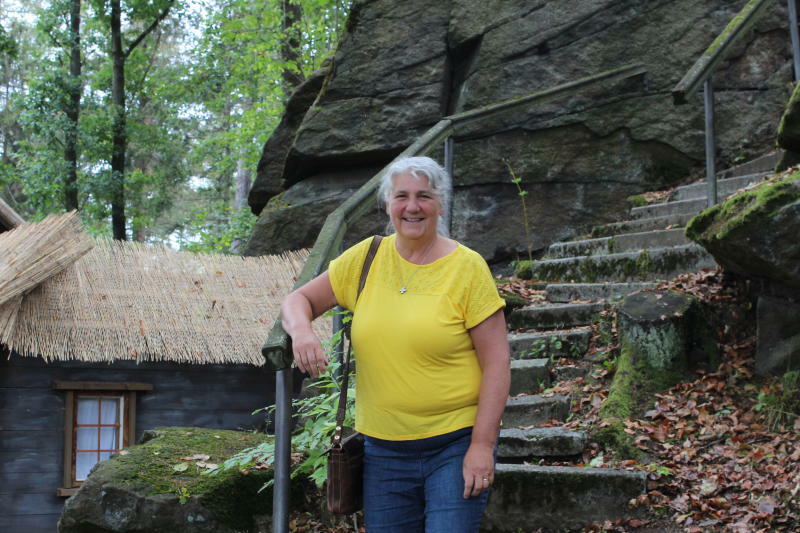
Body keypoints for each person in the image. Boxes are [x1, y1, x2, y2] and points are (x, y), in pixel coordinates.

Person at [280, 156, 510, 532]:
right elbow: (296, 300)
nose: (413, 206)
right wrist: (303, 332)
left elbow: (498, 363)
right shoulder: (366, 258)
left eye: (424, 196)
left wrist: (482, 446)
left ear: (440, 204)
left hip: (454, 444)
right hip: (382, 450)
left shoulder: (467, 268)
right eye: (401, 196)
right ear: (388, 204)